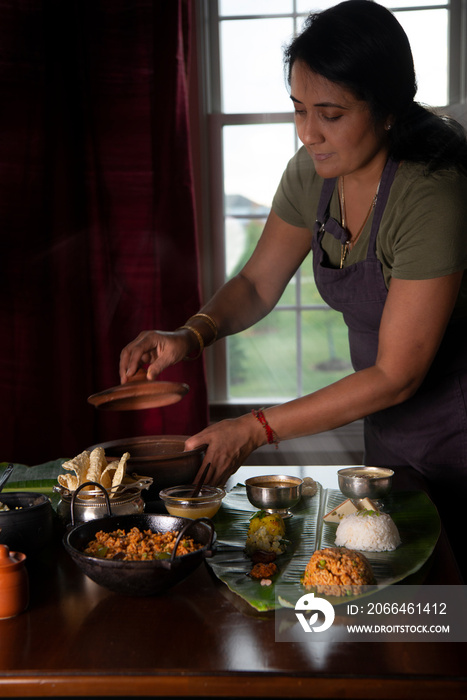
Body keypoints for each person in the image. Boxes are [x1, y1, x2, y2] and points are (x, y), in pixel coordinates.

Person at [120, 1, 467, 575]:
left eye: (329, 113)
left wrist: (254, 430)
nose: (308, 133)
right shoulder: (313, 173)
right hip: (388, 436)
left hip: (456, 435)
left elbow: (396, 374)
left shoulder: (432, 195)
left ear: (387, 110)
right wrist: (189, 335)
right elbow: (257, 283)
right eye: (299, 110)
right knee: (392, 600)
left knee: (446, 620)